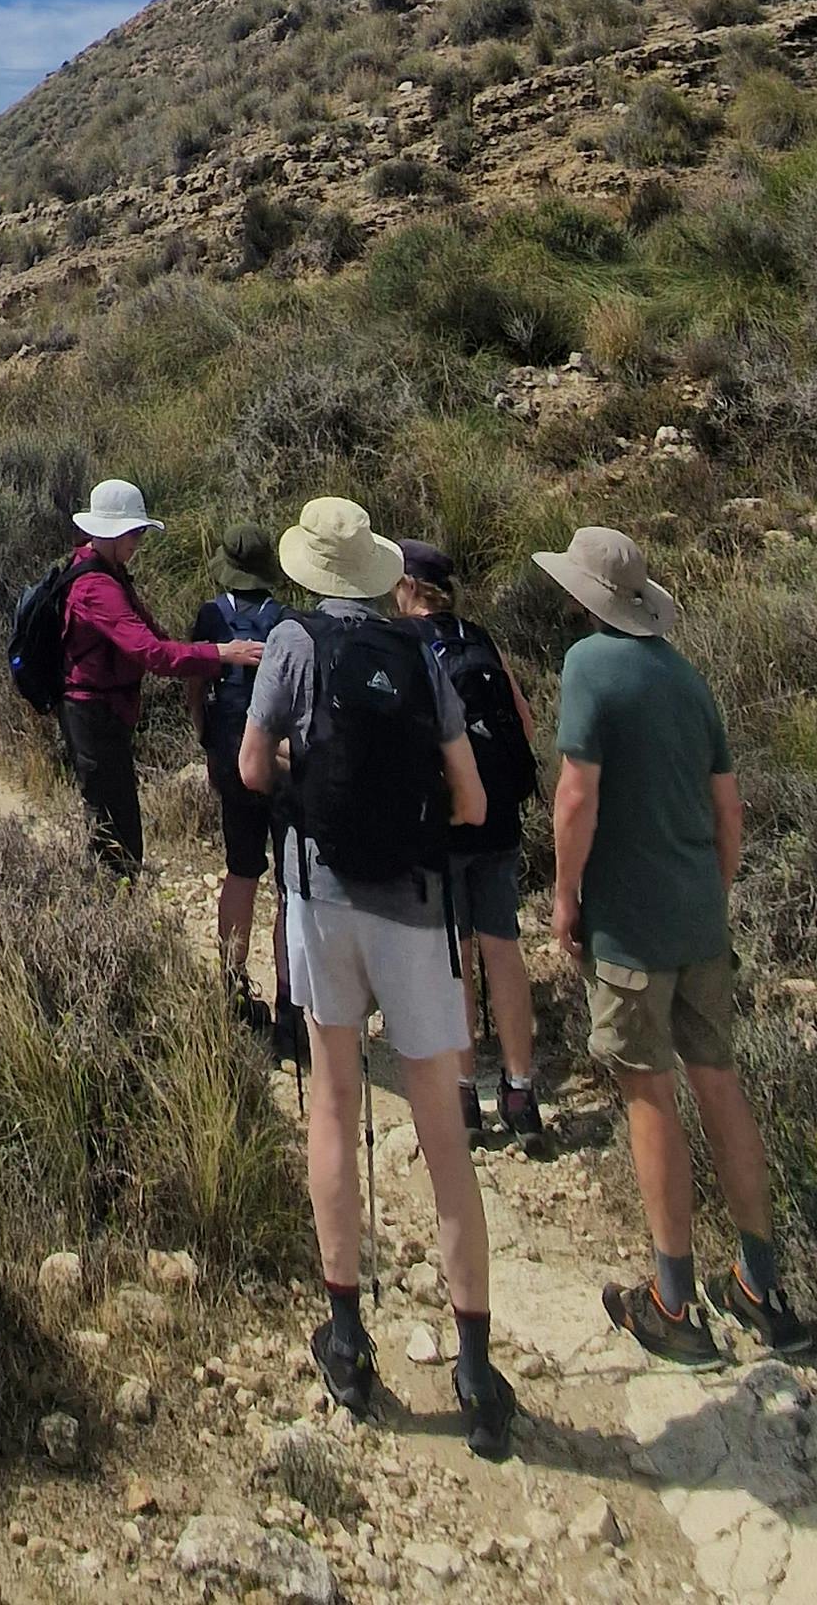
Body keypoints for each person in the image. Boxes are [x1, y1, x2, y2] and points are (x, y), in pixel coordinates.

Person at [237, 496, 515, 1461]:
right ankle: (475, 1369)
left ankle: (348, 1339)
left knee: (333, 1102)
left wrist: (309, 778)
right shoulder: (421, 654)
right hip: (416, 905)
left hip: (322, 899)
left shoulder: (291, 645)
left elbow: (252, 767)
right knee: (445, 1136)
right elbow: (471, 800)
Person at [534, 527, 813, 1364]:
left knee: (648, 1093)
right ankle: (762, 1288)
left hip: (632, 923)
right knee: (719, 1084)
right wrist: (711, 892)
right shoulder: (688, 680)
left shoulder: (589, 665)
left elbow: (576, 798)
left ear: (586, 599)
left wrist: (565, 897)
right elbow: (730, 810)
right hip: (699, 919)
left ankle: (673, 1303)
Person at [392, 540, 547, 1151]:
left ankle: (463, 1094)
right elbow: (524, 726)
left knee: (453, 953)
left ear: (408, 586)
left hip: (445, 820)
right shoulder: (479, 637)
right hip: (500, 817)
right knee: (503, 947)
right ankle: (521, 1090)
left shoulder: (406, 643)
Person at [55, 479, 226, 876]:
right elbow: (152, 654)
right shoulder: (97, 586)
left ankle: (112, 890)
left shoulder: (102, 568)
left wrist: (193, 653)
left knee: (111, 810)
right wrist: (220, 655)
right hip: (92, 712)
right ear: (114, 533)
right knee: (114, 820)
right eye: (135, 533)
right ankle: (112, 896)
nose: (139, 542)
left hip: (101, 709)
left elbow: (153, 637)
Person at [187, 524, 297, 1052]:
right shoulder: (286, 620)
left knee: (241, 868)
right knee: (290, 885)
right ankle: (290, 1005)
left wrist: (205, 736)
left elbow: (195, 682)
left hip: (230, 753)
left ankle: (232, 988)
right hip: (280, 758)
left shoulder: (211, 616)